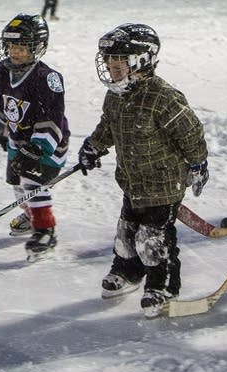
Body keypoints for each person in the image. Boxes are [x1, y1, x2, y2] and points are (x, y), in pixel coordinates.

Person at [77, 23, 209, 316]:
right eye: (109, 61)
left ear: (142, 60)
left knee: (152, 238)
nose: (112, 67)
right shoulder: (115, 95)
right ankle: (127, 271)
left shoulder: (162, 96)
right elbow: (108, 126)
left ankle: (163, 285)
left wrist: (199, 164)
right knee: (126, 234)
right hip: (132, 182)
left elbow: (191, 132)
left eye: (119, 62)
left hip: (164, 183)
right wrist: (93, 146)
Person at [0, 13, 70, 261]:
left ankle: (46, 230)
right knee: (16, 180)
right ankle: (31, 213)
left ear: (37, 48)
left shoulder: (47, 78)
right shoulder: (2, 71)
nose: (14, 52)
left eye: (22, 47)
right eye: (11, 45)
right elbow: (4, 104)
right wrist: (3, 128)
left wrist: (37, 150)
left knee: (33, 184)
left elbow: (53, 118)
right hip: (19, 138)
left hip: (48, 144)